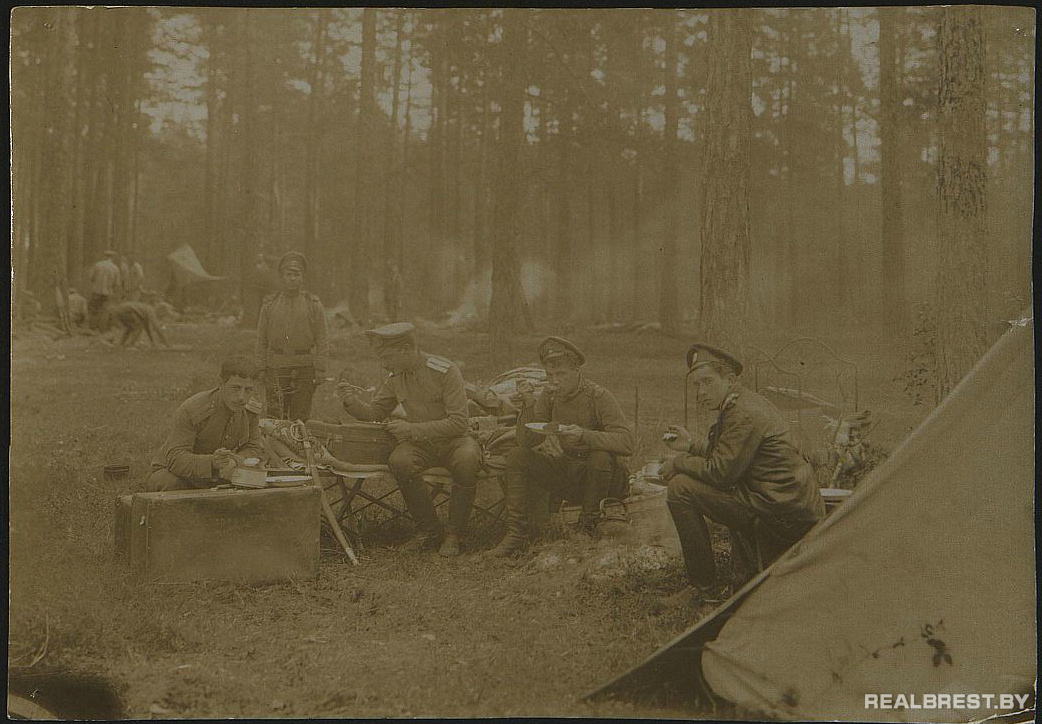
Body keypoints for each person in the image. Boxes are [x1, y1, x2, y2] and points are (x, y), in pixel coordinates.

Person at [660, 343, 826, 602]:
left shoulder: (743, 412)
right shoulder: (744, 403)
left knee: (680, 488)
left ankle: (701, 588)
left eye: (707, 382)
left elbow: (721, 473)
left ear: (729, 379)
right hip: (785, 505)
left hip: (780, 515)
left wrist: (679, 462)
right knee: (686, 482)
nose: (700, 392)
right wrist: (691, 445)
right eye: (696, 385)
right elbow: (733, 455)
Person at [337, 322, 481, 557]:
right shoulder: (396, 377)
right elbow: (376, 412)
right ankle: (429, 531)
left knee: (467, 458)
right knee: (400, 461)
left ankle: (455, 534)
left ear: (406, 349)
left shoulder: (445, 370)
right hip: (422, 445)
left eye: (387, 357)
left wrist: (412, 430)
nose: (383, 364)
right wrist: (350, 402)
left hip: (455, 440)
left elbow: (459, 423)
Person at [492, 337, 635, 557]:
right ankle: (517, 533)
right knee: (517, 455)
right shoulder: (549, 396)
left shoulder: (598, 396)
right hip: (570, 474)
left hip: (605, 480)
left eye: (561, 374)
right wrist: (529, 403)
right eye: (550, 375)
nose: (555, 381)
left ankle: (588, 526)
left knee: (600, 455)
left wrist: (584, 435)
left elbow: (627, 442)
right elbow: (528, 441)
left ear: (577, 370)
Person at [146, 355, 265, 492]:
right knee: (171, 484)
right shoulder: (193, 410)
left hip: (218, 475)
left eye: (248, 390)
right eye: (235, 388)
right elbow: (175, 459)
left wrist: (235, 461)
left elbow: (255, 449)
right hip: (175, 473)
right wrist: (212, 463)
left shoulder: (249, 412)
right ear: (221, 384)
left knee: (257, 484)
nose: (241, 397)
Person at [256, 251, 329, 421]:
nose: (293, 278)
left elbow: (323, 339)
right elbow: (261, 339)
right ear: (282, 277)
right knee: (276, 415)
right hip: (276, 366)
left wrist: (320, 369)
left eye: (297, 274)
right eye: (288, 274)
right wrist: (260, 367)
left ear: (302, 277)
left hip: (304, 367)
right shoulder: (269, 305)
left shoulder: (313, 305)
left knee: (300, 417)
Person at [88, 250, 122, 330]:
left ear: (104, 256)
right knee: (105, 310)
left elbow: (91, 277)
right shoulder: (115, 268)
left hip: (96, 291)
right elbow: (117, 283)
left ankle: (93, 327)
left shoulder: (97, 265)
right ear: (112, 257)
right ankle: (102, 328)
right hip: (108, 292)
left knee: (94, 309)